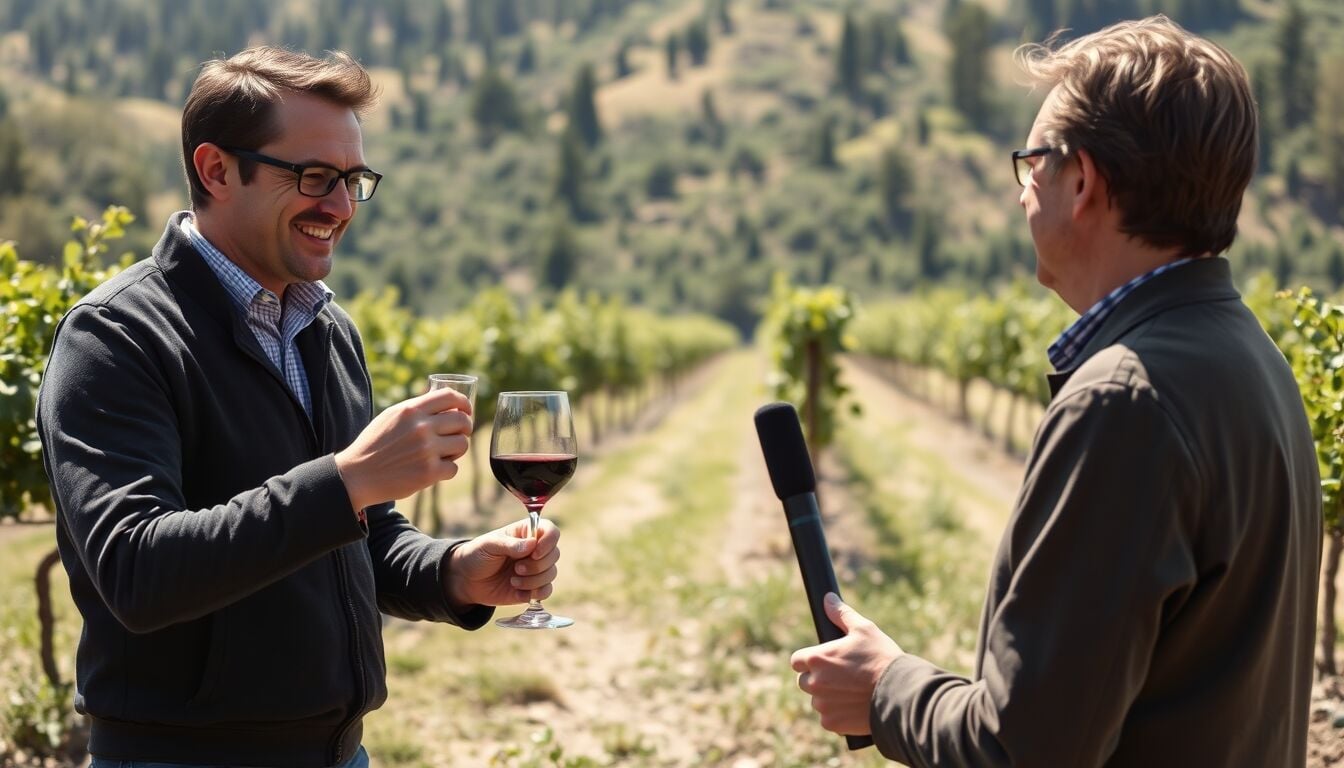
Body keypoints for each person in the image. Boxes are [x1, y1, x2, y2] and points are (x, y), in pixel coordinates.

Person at [789, 16, 1322, 766]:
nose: (1021, 194)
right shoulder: (1251, 356)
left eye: (1031, 163)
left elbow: (1023, 750)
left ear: (1083, 182)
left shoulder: (1126, 402)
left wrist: (885, 689)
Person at [37, 47, 562, 768]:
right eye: (314, 177)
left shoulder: (326, 330)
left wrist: (451, 572)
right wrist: (347, 479)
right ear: (217, 170)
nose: (341, 207)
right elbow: (136, 570)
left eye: (353, 181)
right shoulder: (117, 337)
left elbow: (359, 536)